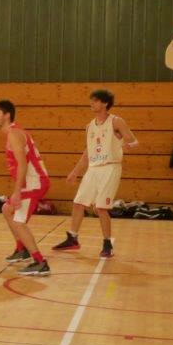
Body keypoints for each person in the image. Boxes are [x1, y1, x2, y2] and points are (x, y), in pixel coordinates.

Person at [53, 89, 138, 259]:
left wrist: (130, 145)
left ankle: (107, 244)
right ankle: (72, 238)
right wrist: (75, 172)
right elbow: (87, 153)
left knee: (100, 208)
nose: (91, 103)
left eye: (95, 100)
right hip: (93, 168)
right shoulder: (90, 126)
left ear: (105, 103)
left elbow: (134, 141)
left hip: (110, 167)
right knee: (78, 203)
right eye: (91, 100)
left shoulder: (116, 121)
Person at [0, 100, 51, 276]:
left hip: (34, 182)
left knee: (19, 222)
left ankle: (40, 262)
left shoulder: (14, 134)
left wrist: (17, 192)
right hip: (32, 181)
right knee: (7, 209)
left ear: (7, 115)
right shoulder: (14, 132)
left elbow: (23, 165)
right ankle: (22, 249)